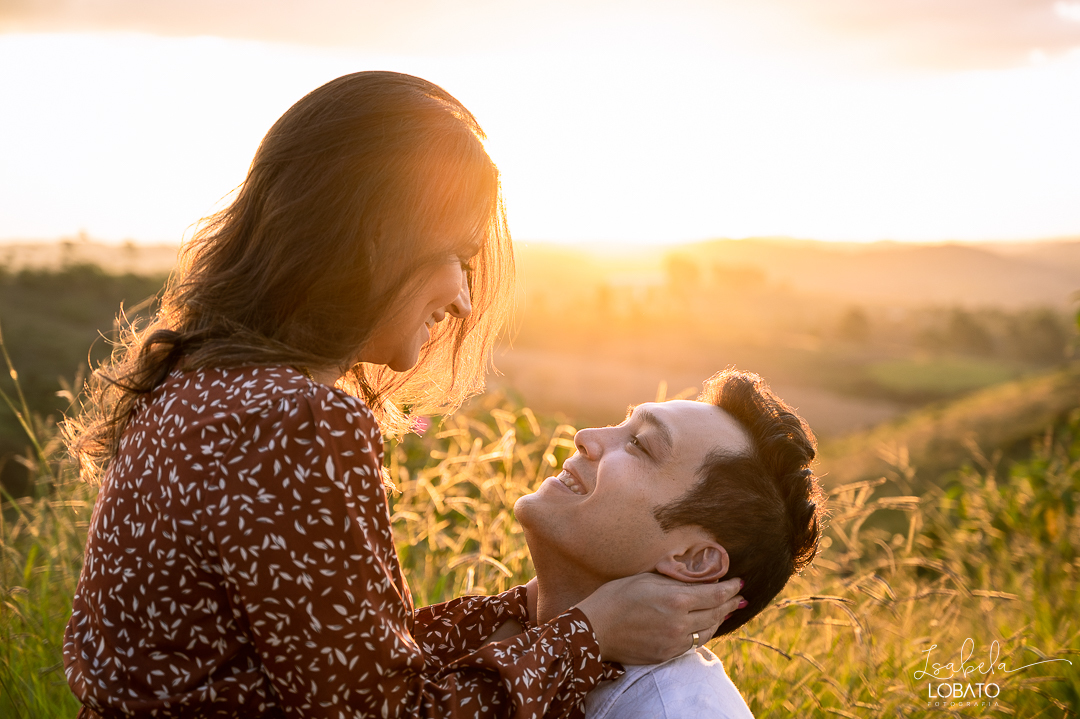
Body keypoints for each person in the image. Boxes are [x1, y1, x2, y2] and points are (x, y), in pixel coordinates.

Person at [61, 71, 744, 719]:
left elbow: (349, 663)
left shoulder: (202, 383)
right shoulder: (296, 419)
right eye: (455, 255)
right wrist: (589, 636)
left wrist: (535, 608)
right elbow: (387, 710)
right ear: (377, 239)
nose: (463, 296)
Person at [511, 369, 825, 718]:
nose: (585, 436)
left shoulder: (674, 709)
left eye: (639, 445)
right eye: (622, 424)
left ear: (694, 560)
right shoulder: (511, 629)